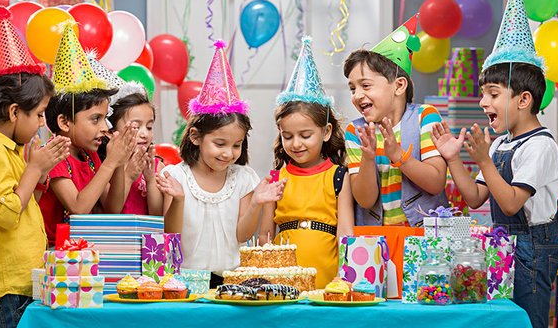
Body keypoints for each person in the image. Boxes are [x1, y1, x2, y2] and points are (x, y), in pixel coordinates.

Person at [430, 0, 558, 328]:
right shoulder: (501, 143)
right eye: (482, 94)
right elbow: (475, 198)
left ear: (524, 100)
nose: (482, 102)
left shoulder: (540, 146)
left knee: (528, 319)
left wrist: (486, 160)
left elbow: (510, 203)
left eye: (492, 94)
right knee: (501, 320)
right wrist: (453, 159)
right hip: (503, 246)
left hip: (533, 251)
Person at [0, 6, 70, 328]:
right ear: (14, 112)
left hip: (20, 279)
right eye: (38, 115)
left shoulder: (7, 148)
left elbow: (20, 205)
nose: (40, 124)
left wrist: (39, 173)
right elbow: (6, 216)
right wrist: (33, 170)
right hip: (5, 283)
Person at [159, 40, 286, 288]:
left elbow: (242, 235)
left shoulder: (243, 178)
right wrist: (179, 199)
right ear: (196, 137)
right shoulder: (176, 176)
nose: (229, 153)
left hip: (232, 280)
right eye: (220, 144)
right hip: (185, 281)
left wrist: (257, 204)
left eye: (236, 145)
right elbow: (170, 236)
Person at [259, 37, 354, 289]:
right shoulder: (277, 178)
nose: (296, 144)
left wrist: (343, 276)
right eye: (287, 136)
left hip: (328, 276)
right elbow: (265, 234)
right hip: (282, 279)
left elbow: (345, 232)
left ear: (325, 132)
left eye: (305, 135)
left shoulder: (339, 176)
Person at [343, 15, 448, 227]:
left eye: (366, 85)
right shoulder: (356, 131)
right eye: (353, 88)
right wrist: (368, 158)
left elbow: (436, 183)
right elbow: (365, 200)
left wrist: (398, 156)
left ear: (399, 86)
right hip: (376, 242)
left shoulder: (424, 117)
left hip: (425, 238)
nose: (356, 95)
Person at [38, 23, 137, 246]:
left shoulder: (89, 156)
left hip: (82, 250)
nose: (105, 126)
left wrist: (119, 161)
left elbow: (113, 209)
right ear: (64, 122)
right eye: (96, 119)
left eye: (105, 117)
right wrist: (110, 163)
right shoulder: (54, 156)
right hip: (54, 254)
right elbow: (78, 208)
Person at [88, 54, 165, 216]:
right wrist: (128, 176)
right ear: (110, 131)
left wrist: (150, 180)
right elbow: (111, 210)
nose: (145, 134)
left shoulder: (156, 166)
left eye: (149, 127)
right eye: (136, 127)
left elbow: (158, 217)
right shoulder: (103, 165)